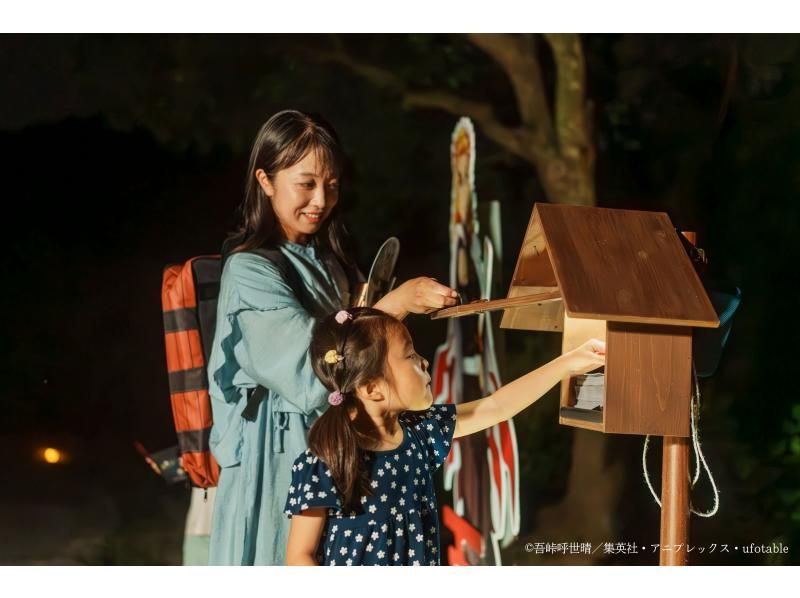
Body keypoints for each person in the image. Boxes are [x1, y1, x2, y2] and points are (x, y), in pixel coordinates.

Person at [206, 109, 458, 565]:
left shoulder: (332, 264)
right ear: (265, 180)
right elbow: (311, 373)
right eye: (306, 183)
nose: (321, 199)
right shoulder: (249, 271)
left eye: (332, 184)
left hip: (342, 456)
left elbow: (368, 362)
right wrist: (395, 305)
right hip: (278, 461)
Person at [283, 307, 606, 565]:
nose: (424, 361)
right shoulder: (324, 461)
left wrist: (569, 363)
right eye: (410, 356)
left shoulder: (420, 431)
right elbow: (300, 556)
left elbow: (496, 406)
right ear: (371, 388)